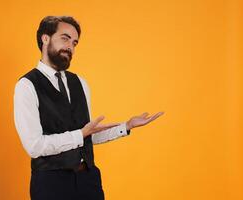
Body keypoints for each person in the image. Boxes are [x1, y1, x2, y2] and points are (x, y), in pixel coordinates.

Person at [13, 15, 164, 200]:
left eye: (75, 43)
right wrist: (80, 135)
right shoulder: (27, 85)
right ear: (45, 38)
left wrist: (126, 126)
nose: (70, 47)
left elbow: (87, 135)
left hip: (87, 180)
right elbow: (34, 146)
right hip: (50, 183)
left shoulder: (80, 83)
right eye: (65, 38)